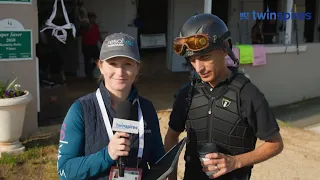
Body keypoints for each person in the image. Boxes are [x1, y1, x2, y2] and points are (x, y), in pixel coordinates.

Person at [164, 13, 284, 180]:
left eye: (205, 58)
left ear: (224, 48)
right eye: (192, 60)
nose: (199, 68)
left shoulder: (247, 94)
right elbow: (171, 137)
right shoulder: (188, 94)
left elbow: (276, 144)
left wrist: (236, 162)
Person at [57, 33, 165, 180]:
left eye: (127, 64)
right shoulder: (80, 110)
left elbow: (158, 161)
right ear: (100, 66)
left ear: (137, 68)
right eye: (113, 64)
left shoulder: (147, 108)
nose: (120, 72)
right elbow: (65, 171)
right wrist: (107, 154)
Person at [81, 12, 103, 79]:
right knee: (87, 61)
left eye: (94, 18)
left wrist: (102, 41)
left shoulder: (95, 25)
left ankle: (89, 72)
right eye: (92, 18)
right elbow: (82, 34)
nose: (93, 19)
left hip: (94, 45)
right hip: (87, 46)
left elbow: (98, 34)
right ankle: (88, 75)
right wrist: (88, 28)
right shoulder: (85, 26)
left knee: (98, 59)